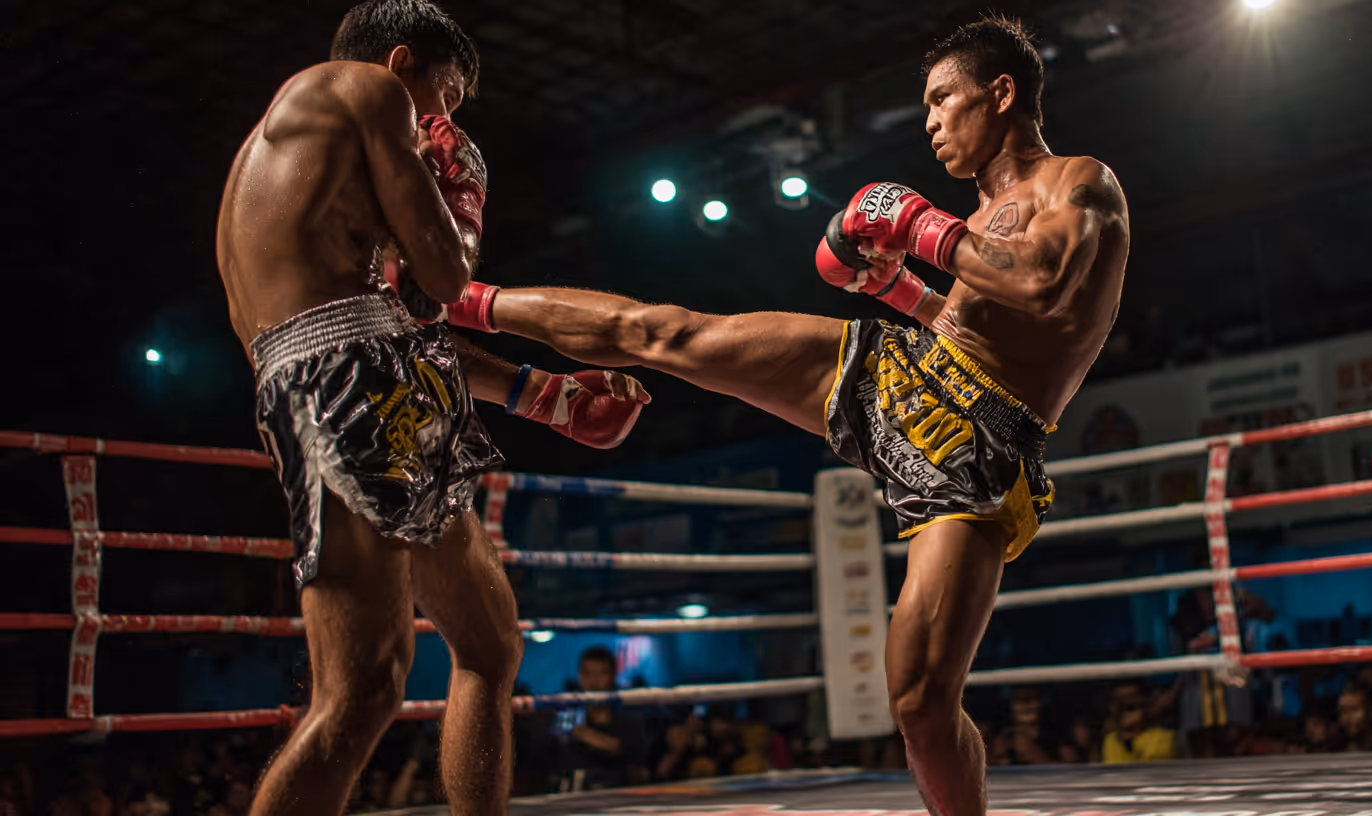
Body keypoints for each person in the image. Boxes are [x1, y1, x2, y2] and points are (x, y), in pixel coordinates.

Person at [422, 15, 1128, 815]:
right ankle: (457, 301)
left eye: (942, 99)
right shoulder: (983, 209)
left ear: (1000, 93)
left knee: (920, 701)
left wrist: (915, 223)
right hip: (905, 370)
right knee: (670, 334)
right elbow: (969, 324)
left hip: (977, 443)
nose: (930, 121)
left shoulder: (1081, 183)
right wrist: (897, 290)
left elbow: (1041, 284)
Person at [214, 2, 649, 813]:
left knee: (489, 644)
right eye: (445, 96)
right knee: (363, 690)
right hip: (345, 383)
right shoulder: (367, 91)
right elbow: (443, 280)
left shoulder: (312, 157)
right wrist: (461, 189)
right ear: (402, 60)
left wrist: (543, 395)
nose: (443, 120)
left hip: (373, 372)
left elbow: (402, 318)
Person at [560, 647, 649, 790]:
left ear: (613, 676)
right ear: (579, 675)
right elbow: (557, 749)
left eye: (601, 673)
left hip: (620, 795)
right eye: (587, 674)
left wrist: (586, 735)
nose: (594, 681)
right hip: (577, 795)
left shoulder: (629, 718)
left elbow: (634, 755)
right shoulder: (569, 713)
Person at [1100, 681, 1176, 764]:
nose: (1125, 715)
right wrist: (1125, 739)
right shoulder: (1111, 739)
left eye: (1131, 708)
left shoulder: (1162, 737)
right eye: (1120, 708)